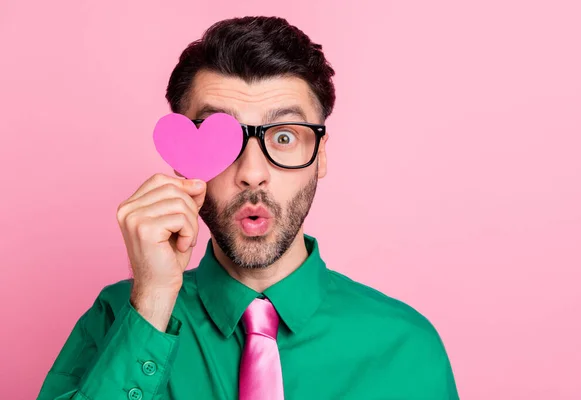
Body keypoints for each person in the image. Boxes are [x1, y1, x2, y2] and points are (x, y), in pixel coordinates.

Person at [38, 16, 459, 400]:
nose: (252, 173)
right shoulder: (116, 319)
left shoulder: (406, 347)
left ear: (321, 155)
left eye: (284, 137)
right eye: (225, 140)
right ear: (183, 155)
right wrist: (150, 304)